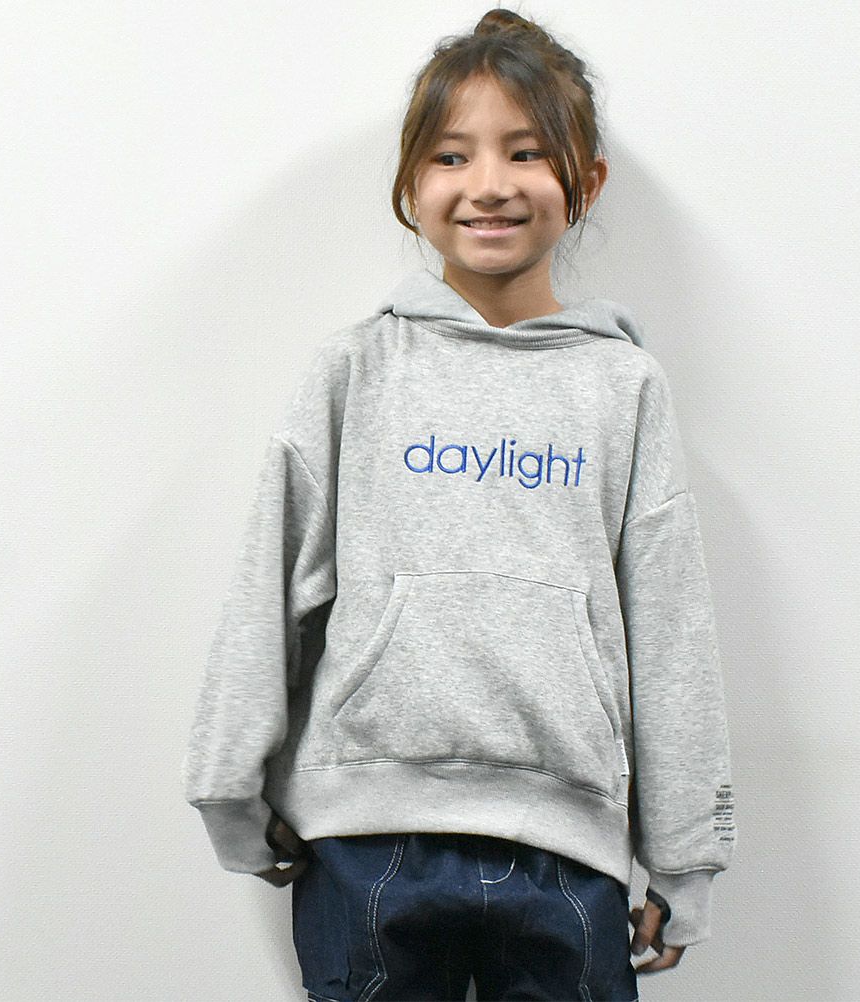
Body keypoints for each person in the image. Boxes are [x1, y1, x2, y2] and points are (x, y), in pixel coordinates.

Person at [182, 8, 736, 1000]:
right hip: (365, 846)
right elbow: (271, 581)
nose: (488, 184)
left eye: (526, 152)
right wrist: (229, 785)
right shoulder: (355, 370)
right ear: (410, 184)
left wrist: (685, 856)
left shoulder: (624, 388)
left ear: (586, 180)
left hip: (568, 852)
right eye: (451, 155)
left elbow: (670, 625)